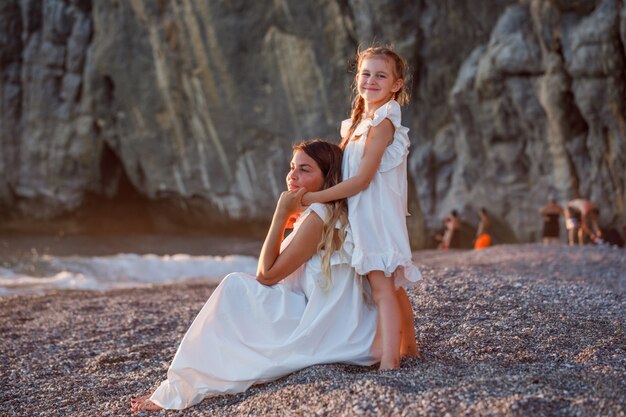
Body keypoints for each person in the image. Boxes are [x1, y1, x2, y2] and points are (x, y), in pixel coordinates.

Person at [130, 140, 408, 412]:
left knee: (235, 287)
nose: (292, 175)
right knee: (240, 297)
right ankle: (185, 382)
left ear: (327, 179)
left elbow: (266, 275)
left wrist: (280, 214)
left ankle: (179, 389)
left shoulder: (318, 216)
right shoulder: (331, 213)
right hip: (338, 322)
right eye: (292, 167)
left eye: (305, 169)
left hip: (326, 326)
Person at [301, 46, 422, 370]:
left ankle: (390, 362)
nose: (371, 80)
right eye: (366, 74)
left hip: (375, 215)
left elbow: (363, 179)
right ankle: (409, 348)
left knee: (382, 287)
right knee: (391, 287)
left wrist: (312, 199)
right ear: (357, 78)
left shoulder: (383, 122)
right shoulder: (360, 123)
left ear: (396, 85)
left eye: (381, 75)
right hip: (365, 211)